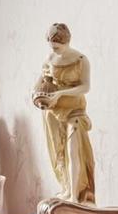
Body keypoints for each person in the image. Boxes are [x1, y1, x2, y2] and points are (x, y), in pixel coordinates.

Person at [31, 22, 96, 204]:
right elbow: (41, 80)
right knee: (58, 151)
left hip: (75, 110)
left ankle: (76, 195)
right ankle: (66, 189)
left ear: (66, 42)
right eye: (52, 46)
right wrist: (34, 93)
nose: (55, 50)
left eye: (57, 47)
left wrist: (60, 93)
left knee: (73, 150)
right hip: (53, 111)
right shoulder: (50, 59)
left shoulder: (81, 60)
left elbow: (85, 87)